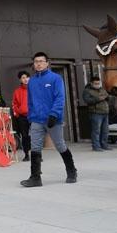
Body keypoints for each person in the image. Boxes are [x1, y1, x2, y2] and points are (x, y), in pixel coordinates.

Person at [21, 52, 77, 187]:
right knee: (35, 148)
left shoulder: (55, 78)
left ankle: (71, 171)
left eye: (41, 61)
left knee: (60, 145)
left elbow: (60, 98)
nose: (38, 64)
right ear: (33, 64)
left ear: (47, 63)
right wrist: (30, 116)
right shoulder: (32, 81)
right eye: (36, 62)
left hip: (53, 119)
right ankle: (35, 177)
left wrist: (54, 114)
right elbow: (30, 101)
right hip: (36, 120)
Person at [11, 71, 31, 161]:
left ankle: (38, 154)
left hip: (34, 116)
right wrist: (17, 113)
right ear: (20, 79)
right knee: (25, 135)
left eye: (27, 77)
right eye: (23, 77)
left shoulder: (34, 89)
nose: (25, 79)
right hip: (22, 117)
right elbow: (14, 104)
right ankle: (27, 154)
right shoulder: (17, 91)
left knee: (36, 135)